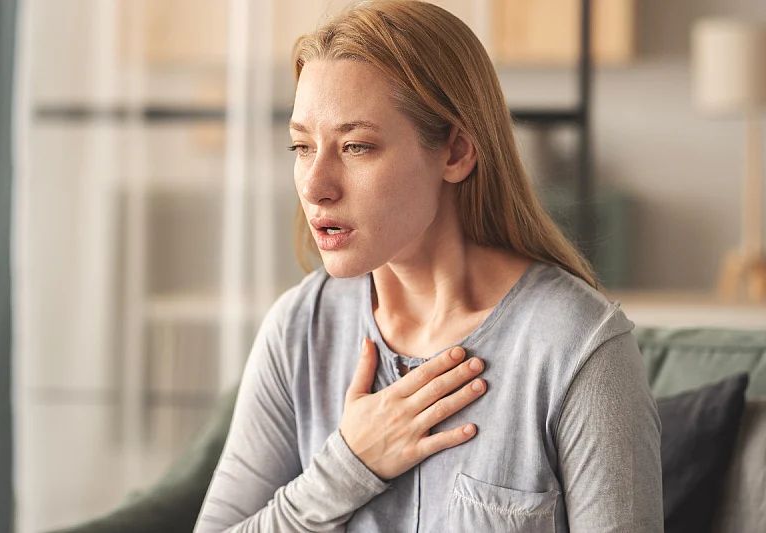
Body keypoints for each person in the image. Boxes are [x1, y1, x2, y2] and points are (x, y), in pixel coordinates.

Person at [194, 1, 663, 531]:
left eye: (356, 146)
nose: (315, 185)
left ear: (456, 152)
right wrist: (348, 466)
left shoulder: (575, 347)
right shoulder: (299, 328)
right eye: (302, 146)